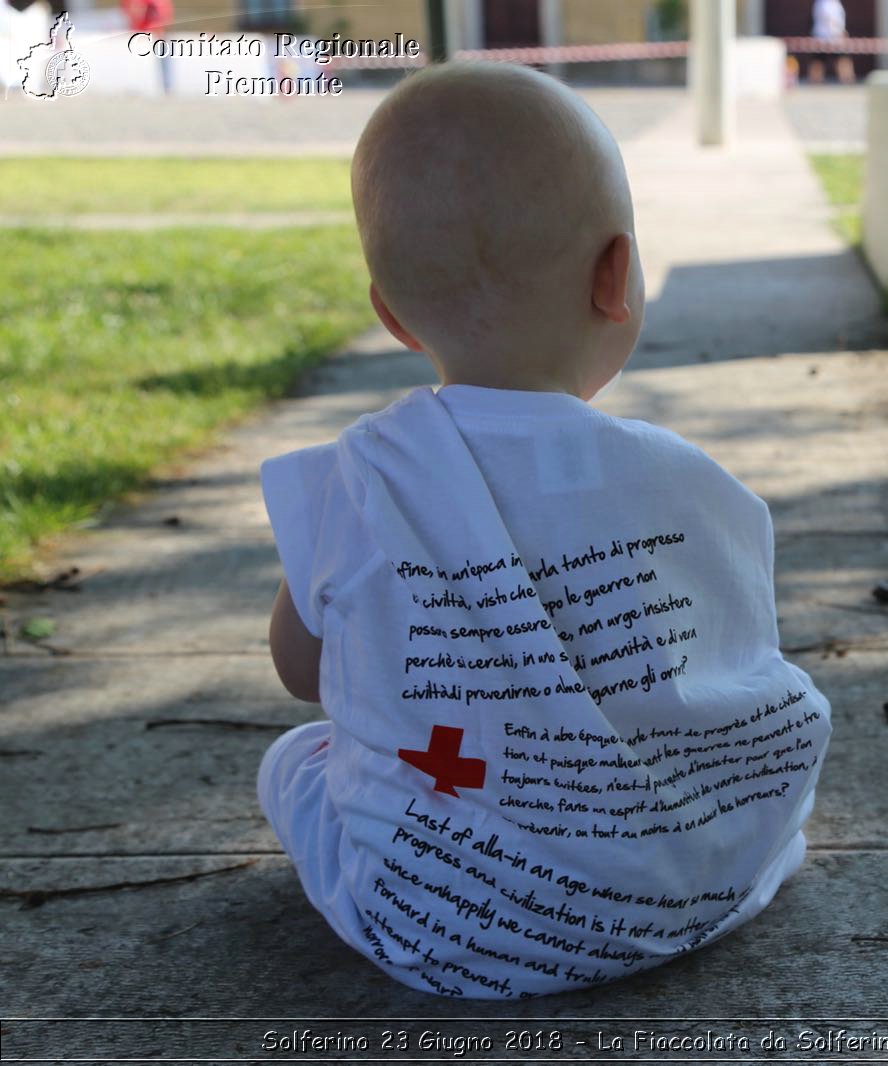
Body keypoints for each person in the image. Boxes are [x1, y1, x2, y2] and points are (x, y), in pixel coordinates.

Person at [256, 63, 832, 1000]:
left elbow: (300, 674)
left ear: (390, 315)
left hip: (451, 929)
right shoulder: (693, 482)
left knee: (297, 760)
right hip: (698, 887)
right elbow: (730, 659)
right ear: (618, 276)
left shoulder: (362, 480)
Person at [810, 0, 855, 84]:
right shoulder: (823, 3)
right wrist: (839, 32)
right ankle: (815, 80)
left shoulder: (835, 3)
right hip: (825, 36)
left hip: (835, 36)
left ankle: (847, 79)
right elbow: (828, 19)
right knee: (819, 60)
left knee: (842, 58)